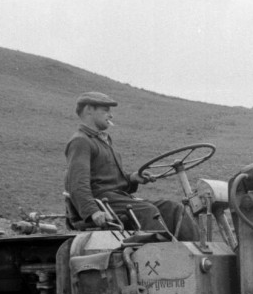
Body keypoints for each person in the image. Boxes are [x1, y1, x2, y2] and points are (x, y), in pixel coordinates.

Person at [64, 92, 195, 239]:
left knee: (173, 208)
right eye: (105, 110)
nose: (111, 115)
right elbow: (77, 183)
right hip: (102, 201)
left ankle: (196, 254)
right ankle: (158, 256)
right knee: (148, 211)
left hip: (116, 198)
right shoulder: (81, 141)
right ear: (89, 110)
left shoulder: (103, 141)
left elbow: (110, 179)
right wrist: (92, 211)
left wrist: (133, 178)